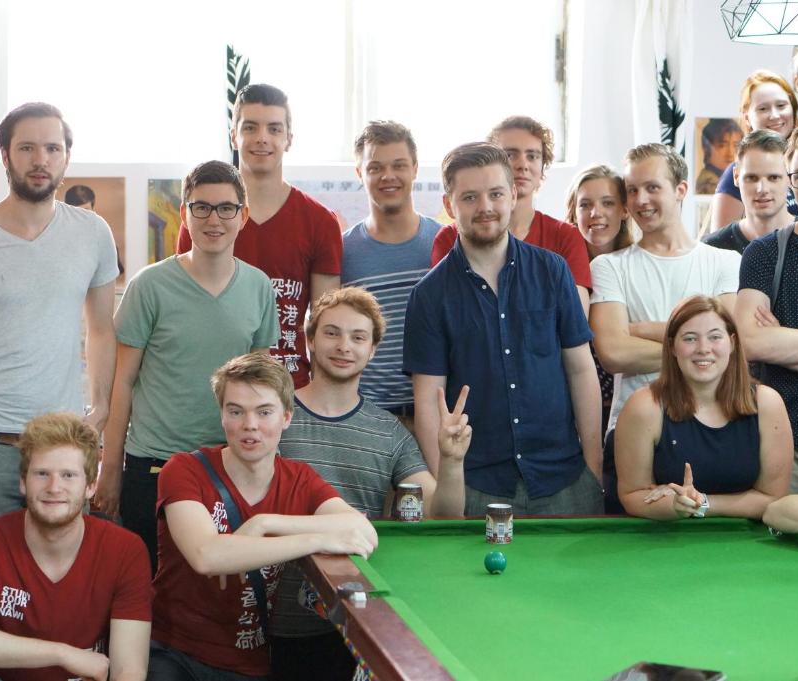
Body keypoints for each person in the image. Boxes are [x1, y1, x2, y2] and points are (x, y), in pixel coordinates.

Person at [0, 102, 119, 535]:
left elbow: (103, 328)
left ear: (67, 156)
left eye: (52, 148)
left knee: (58, 584)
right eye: (27, 147)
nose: (40, 159)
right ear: (5, 153)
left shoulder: (92, 233)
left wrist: (101, 407)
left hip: (64, 448)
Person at [272, 287, 467, 681]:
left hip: (366, 622)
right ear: (308, 341)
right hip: (282, 621)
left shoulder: (388, 430)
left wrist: (451, 461)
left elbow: (442, 514)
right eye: (332, 333)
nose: (345, 346)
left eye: (358, 337)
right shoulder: (273, 417)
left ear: (373, 349)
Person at [95, 160, 279, 571]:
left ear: (242, 216)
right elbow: (122, 381)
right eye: (201, 207)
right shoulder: (150, 285)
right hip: (154, 464)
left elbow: (261, 386)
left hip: (228, 464)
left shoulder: (258, 287)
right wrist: (111, 469)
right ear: (184, 214)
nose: (214, 219)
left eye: (226, 208)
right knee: (147, 587)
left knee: (216, 592)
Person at [148, 353, 377, 681]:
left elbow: (361, 529)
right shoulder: (184, 469)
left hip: (248, 663)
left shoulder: (300, 479)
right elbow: (206, 555)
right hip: (173, 652)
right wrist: (315, 539)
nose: (249, 425)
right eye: (236, 411)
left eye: (264, 412)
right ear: (222, 416)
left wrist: (266, 523)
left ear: (286, 417)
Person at [405, 142, 603, 516]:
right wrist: (443, 488)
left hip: (565, 482)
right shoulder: (429, 295)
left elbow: (580, 369)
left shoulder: (553, 270)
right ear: (449, 206)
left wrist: (594, 470)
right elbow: (429, 402)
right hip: (477, 486)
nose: (485, 207)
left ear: (513, 195)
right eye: (470, 197)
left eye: (496, 193)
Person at [0, 412, 151, 681]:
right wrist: (62, 654)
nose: (54, 487)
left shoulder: (124, 549)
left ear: (91, 486)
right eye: (42, 474)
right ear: (23, 482)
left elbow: (130, 671)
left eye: (68, 475)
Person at [590, 143, 741, 512]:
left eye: (652, 187)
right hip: (632, 434)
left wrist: (641, 329)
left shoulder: (725, 261)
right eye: (632, 190)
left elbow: (728, 350)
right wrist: (697, 345)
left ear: (681, 190)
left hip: (713, 430)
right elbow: (613, 352)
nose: (641, 199)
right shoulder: (610, 267)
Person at [176, 84, 342, 388]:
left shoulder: (320, 222)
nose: (262, 138)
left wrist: (321, 401)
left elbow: (326, 324)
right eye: (250, 127)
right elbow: (186, 310)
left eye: (274, 128)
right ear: (233, 136)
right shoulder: (202, 218)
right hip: (212, 387)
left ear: (289, 139)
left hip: (291, 390)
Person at [616, 296, 792, 520]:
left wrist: (700, 502)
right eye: (690, 339)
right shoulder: (644, 406)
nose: (703, 349)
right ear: (672, 347)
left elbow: (773, 498)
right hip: (668, 539)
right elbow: (632, 494)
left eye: (715, 337)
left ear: (733, 343)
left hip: (746, 541)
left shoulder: (768, 403)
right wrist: (674, 505)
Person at [430, 116, 591, 313]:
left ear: (542, 168)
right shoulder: (449, 238)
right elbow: (454, 314)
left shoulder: (565, 236)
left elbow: (575, 317)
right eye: (510, 154)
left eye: (532, 156)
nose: (522, 164)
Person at [341, 121, 441, 424]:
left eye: (399, 165)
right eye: (375, 168)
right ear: (360, 173)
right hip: (368, 418)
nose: (388, 176)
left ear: (415, 169)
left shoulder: (444, 243)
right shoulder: (343, 251)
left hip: (435, 413)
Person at [735, 123, 798, 494]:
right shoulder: (765, 253)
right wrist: (768, 342)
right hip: (787, 439)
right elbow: (750, 342)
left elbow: (769, 341)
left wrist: (792, 349)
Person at [565, 164, 635, 434]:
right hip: (575, 405)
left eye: (608, 202)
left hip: (630, 399)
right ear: (573, 212)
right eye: (585, 205)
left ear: (624, 209)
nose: (596, 213)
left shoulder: (638, 264)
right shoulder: (562, 269)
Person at [709, 70, 798, 231]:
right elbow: (720, 244)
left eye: (781, 106)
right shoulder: (738, 172)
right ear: (747, 117)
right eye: (763, 108)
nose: (774, 115)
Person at [703, 130, 793, 254]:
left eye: (773, 178)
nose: (762, 189)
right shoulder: (710, 249)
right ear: (736, 177)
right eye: (752, 178)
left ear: (790, 178)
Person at [696, 118, 742, 195]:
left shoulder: (728, 178)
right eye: (722, 145)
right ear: (707, 148)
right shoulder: (709, 183)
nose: (730, 153)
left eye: (736, 145)